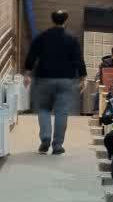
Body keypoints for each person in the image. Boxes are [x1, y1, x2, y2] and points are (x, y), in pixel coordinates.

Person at [24, 9, 87, 155]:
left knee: (44, 109)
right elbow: (78, 59)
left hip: (44, 78)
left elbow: (32, 55)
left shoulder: (42, 36)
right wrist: (83, 77)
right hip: (66, 80)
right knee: (62, 112)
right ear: (66, 20)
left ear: (52, 20)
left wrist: (27, 73)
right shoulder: (72, 39)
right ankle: (57, 145)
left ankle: (45, 139)